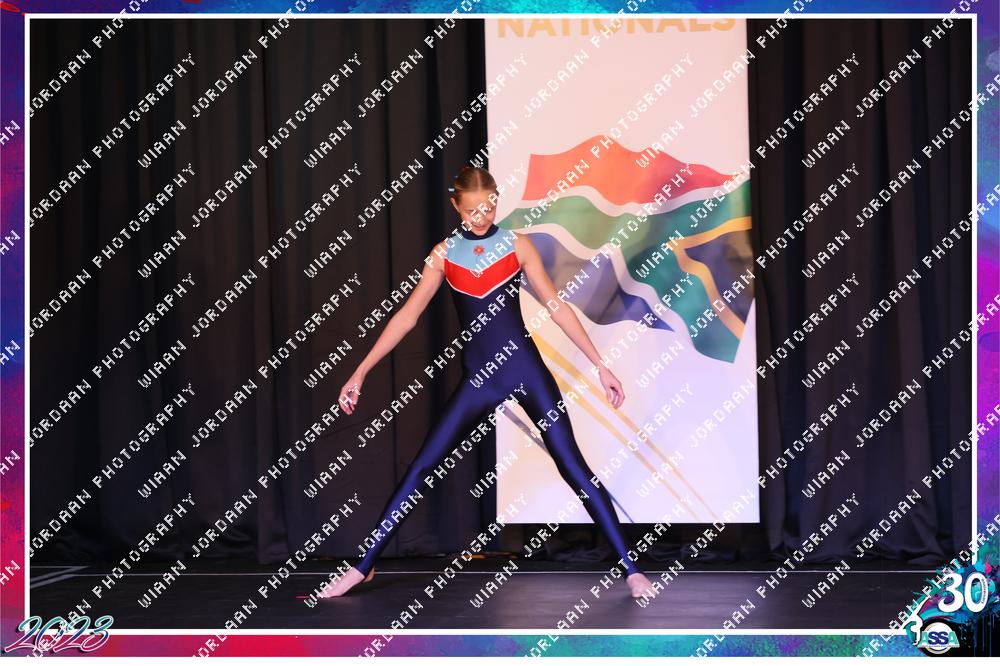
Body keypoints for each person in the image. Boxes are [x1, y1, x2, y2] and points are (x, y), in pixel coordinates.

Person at [318, 166, 657, 599]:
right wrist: (360, 370)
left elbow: (556, 307)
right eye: (471, 210)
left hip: (525, 370)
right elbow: (407, 317)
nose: (481, 217)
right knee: (421, 467)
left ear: (497, 200)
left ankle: (631, 570)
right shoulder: (443, 255)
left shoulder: (517, 245)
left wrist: (601, 365)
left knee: (573, 467)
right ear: (455, 205)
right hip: (480, 378)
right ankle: (362, 566)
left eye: (489, 207)